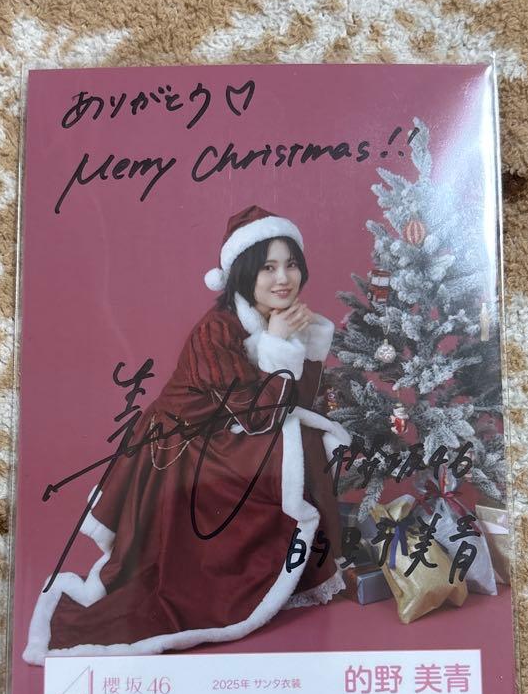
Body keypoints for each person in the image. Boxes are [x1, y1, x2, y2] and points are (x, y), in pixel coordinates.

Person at [23, 205, 351, 663]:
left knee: (304, 439)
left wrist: (301, 344)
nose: (283, 278)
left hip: (228, 430)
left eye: (291, 264)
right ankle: (250, 574)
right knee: (289, 449)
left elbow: (299, 400)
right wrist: (278, 343)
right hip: (181, 446)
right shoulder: (215, 331)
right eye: (268, 267)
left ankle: (298, 572)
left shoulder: (279, 317)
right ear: (244, 273)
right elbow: (259, 417)